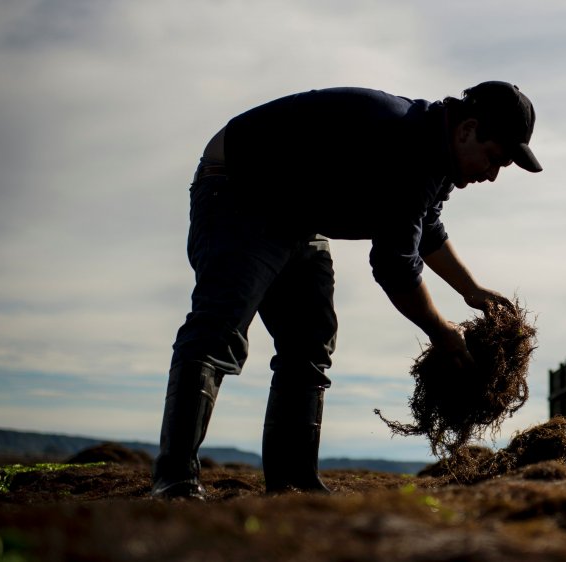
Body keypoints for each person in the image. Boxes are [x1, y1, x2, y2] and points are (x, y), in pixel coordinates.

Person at [152, 81, 543, 499]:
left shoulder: (436, 159)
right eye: (495, 159)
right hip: (240, 188)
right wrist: (439, 330)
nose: (492, 175)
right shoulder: (408, 142)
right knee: (220, 326)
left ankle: (293, 482)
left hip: (299, 217)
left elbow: (424, 228)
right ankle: (174, 478)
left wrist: (472, 290)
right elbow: (395, 264)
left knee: (310, 340)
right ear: (468, 129)